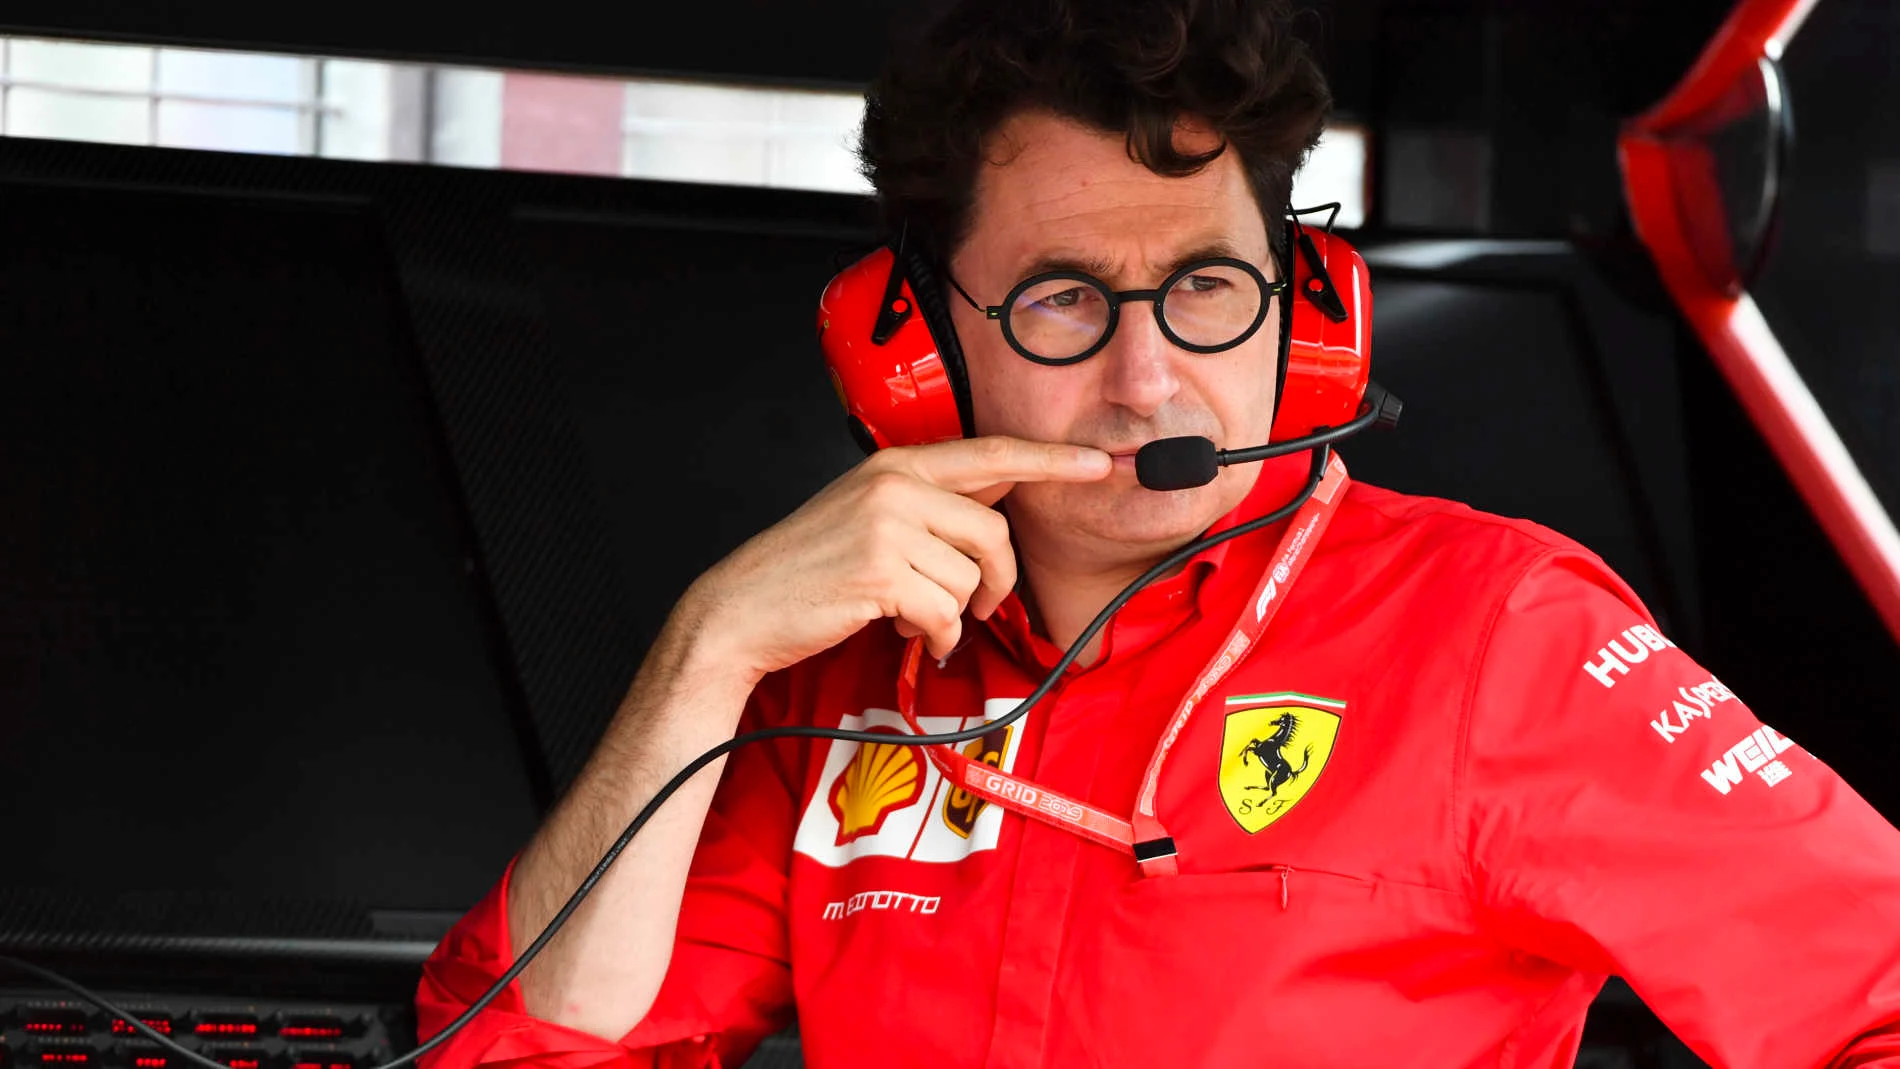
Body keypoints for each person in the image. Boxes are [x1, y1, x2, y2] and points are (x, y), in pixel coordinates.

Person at [414, 0, 1900, 1065]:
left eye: (1207, 286)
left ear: (1309, 309)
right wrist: (707, 648)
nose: (1149, 380)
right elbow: (517, 1050)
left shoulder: (1496, 632)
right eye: (1064, 298)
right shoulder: (838, 671)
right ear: (912, 347)